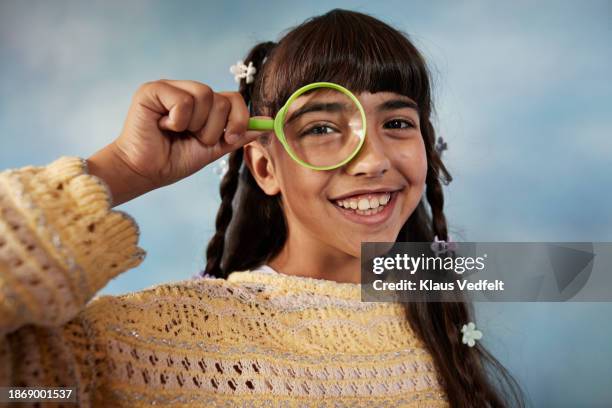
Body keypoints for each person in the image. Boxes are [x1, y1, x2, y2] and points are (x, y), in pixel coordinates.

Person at [0, 9, 523, 407]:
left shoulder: (438, 297)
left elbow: (592, 271)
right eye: (322, 128)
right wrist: (119, 170)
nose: (374, 160)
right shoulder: (156, 346)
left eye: (397, 122)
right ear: (267, 167)